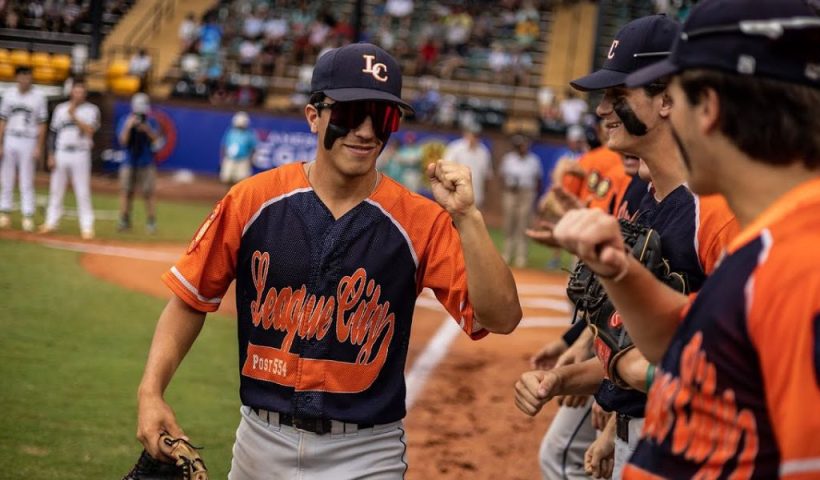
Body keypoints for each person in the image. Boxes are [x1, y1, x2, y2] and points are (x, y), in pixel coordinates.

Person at [134, 42, 522, 479]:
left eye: (383, 116)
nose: (367, 131)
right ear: (313, 116)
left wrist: (467, 217)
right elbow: (190, 298)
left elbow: (502, 317)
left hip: (366, 451)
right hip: (260, 442)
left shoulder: (421, 222)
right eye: (351, 112)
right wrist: (151, 392)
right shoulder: (252, 200)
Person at [517, 14, 739, 480]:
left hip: (688, 444)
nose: (601, 110)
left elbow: (734, 361)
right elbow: (633, 348)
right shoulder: (643, 195)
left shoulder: (715, 211)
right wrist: (564, 377)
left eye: (619, 96)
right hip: (642, 433)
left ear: (667, 100)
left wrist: (634, 382)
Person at [603, 0, 818, 477]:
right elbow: (704, 334)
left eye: (675, 99)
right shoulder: (772, 242)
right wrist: (618, 269)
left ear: (709, 110)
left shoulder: (800, 266)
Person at [39, 78, 100, 239]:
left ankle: (87, 227)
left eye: (81, 91)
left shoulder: (91, 110)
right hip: (62, 152)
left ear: (85, 94)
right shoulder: (60, 109)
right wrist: (51, 154)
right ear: (71, 92)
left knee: (82, 191)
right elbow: (53, 133)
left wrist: (74, 116)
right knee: (56, 190)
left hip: (80, 153)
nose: (78, 94)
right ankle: (51, 222)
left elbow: (89, 131)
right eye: (76, 91)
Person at [0, 66, 47, 232]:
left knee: (27, 180)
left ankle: (27, 215)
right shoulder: (9, 95)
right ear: (16, 77)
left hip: (28, 139)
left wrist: (38, 147)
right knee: (6, 178)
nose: (24, 79)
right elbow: (3, 120)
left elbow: (42, 124)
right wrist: (0, 143)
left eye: (27, 76)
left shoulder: (39, 97)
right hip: (11, 137)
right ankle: (4, 213)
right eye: (21, 76)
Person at [116, 92, 162, 233]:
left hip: (146, 162)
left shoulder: (151, 122)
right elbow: (123, 141)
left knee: (148, 193)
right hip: (129, 161)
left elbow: (157, 141)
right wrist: (129, 126)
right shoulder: (125, 119)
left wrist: (146, 129)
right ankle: (124, 220)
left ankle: (151, 221)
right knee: (126, 192)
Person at [499, 134, 542, 268]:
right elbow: (501, 176)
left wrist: (533, 194)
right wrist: (506, 188)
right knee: (509, 223)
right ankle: (507, 253)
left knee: (523, 224)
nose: (522, 147)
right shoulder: (509, 159)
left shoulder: (533, 160)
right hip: (511, 193)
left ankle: (521, 255)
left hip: (526, 193)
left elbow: (537, 179)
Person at [442, 123, 492, 209]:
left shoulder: (483, 152)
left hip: (476, 195)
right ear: (466, 133)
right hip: (457, 194)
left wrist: (485, 195)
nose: (475, 137)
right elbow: (445, 170)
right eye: (473, 134)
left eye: (477, 135)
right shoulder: (455, 148)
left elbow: (487, 176)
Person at [220, 111, 257, 187]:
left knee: (241, 179)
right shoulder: (230, 132)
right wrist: (222, 158)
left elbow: (253, 148)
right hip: (230, 158)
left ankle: (237, 195)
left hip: (243, 160)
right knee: (226, 177)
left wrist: (251, 160)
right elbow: (224, 146)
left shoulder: (250, 134)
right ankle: (229, 194)